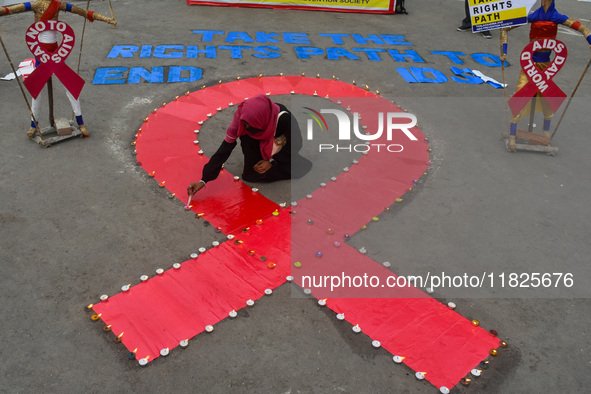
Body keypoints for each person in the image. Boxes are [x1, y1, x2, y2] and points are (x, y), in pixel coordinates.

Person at [0, 0, 117, 137]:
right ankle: (33, 125)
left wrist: (107, 19)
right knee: (37, 91)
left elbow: (83, 12)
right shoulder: (35, 5)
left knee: (71, 87)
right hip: (41, 55)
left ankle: (81, 123)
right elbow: (11, 9)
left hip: (58, 53)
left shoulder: (58, 5)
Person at [500, 0, 591, 151]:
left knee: (548, 97)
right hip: (529, 66)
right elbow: (505, 29)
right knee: (521, 95)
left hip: (547, 67)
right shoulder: (533, 16)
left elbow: (584, 29)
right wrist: (504, 50)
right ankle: (512, 133)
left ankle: (546, 132)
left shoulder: (558, 17)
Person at [187, 94, 312, 196]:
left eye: (249, 125)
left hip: (281, 147)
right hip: (257, 142)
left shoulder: (283, 118)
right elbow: (225, 148)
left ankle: (288, 163)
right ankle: (264, 157)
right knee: (251, 175)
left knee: (298, 169)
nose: (245, 127)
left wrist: (271, 162)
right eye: (244, 123)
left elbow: (296, 144)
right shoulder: (241, 119)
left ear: (261, 120)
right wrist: (204, 180)